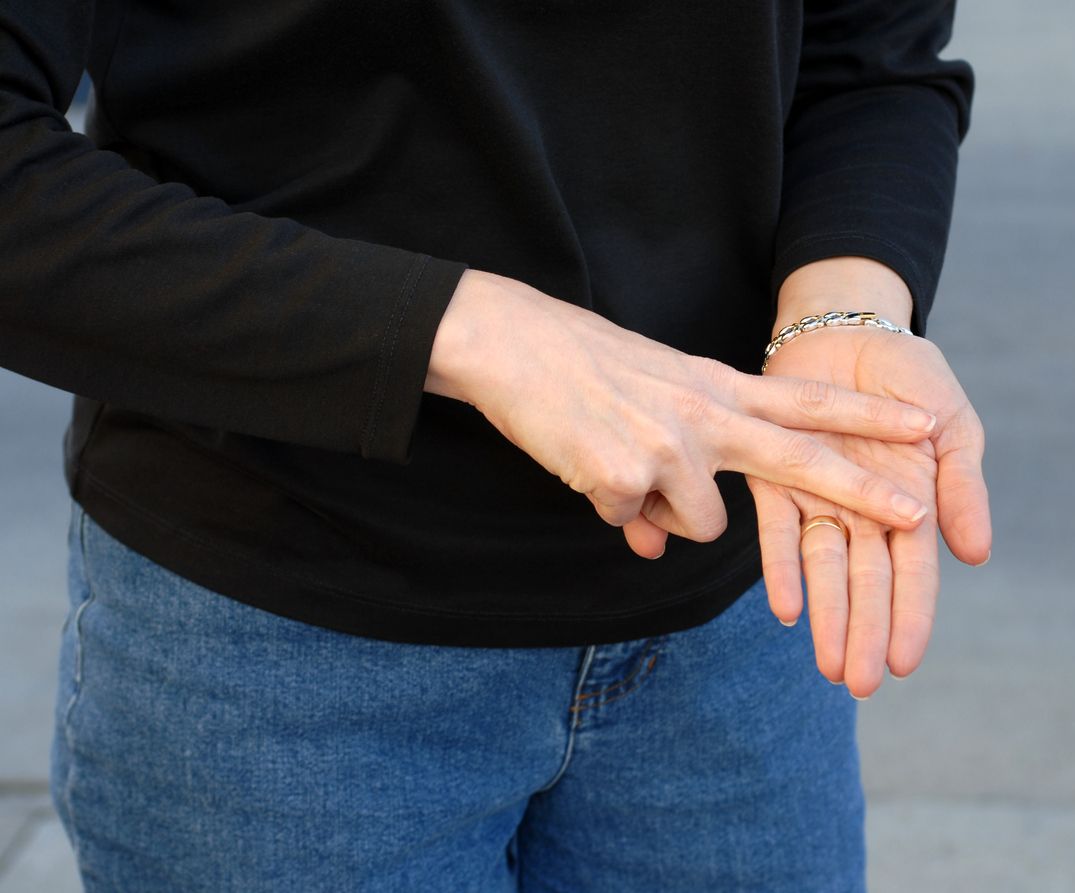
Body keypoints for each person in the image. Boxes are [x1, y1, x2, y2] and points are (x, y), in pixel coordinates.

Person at [1, 0, 990, 889]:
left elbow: (868, 46)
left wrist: (844, 305)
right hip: (285, 646)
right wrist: (473, 331)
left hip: (734, 621)